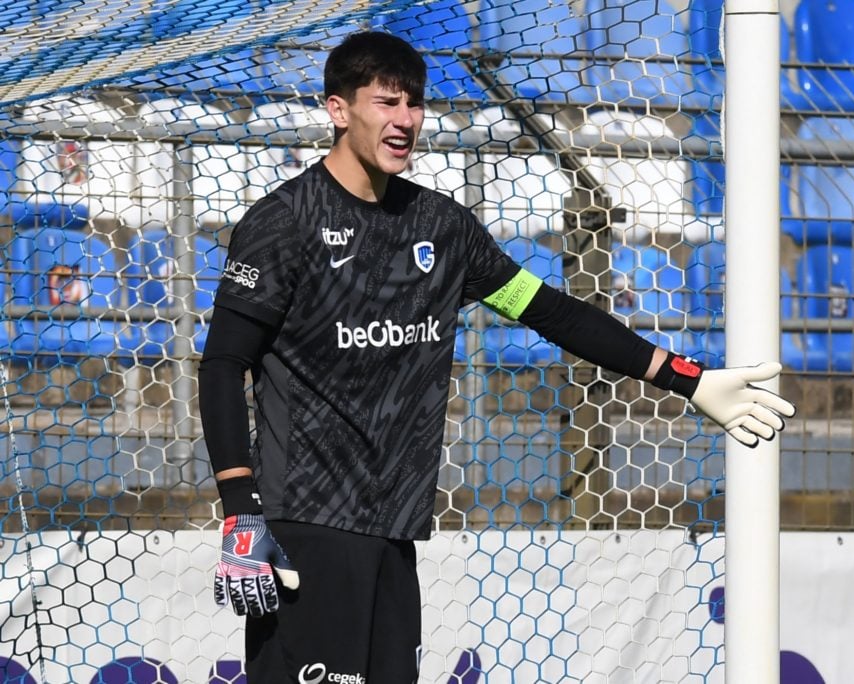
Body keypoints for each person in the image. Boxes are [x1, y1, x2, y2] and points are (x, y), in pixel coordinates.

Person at [197, 30, 796, 684]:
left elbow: (553, 312)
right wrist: (241, 508)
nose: (405, 121)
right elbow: (225, 364)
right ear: (338, 110)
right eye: (386, 103)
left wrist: (686, 377)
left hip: (393, 527)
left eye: (416, 105)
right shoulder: (282, 223)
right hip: (305, 522)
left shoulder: (442, 229)